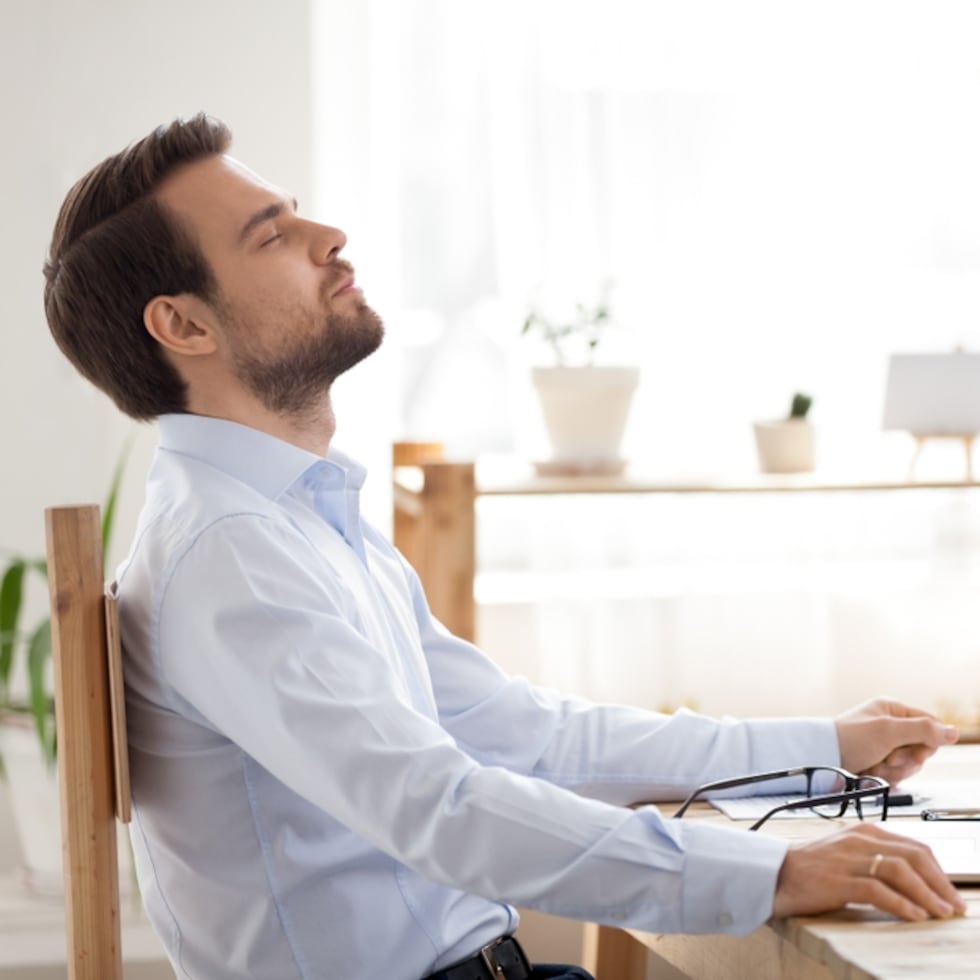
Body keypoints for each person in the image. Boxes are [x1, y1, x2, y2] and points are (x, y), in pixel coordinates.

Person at [42, 114, 966, 980]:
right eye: (271, 235)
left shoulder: (287, 514)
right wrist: (771, 873)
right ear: (185, 325)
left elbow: (525, 737)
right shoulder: (230, 551)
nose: (330, 235)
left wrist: (823, 744)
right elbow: (438, 809)